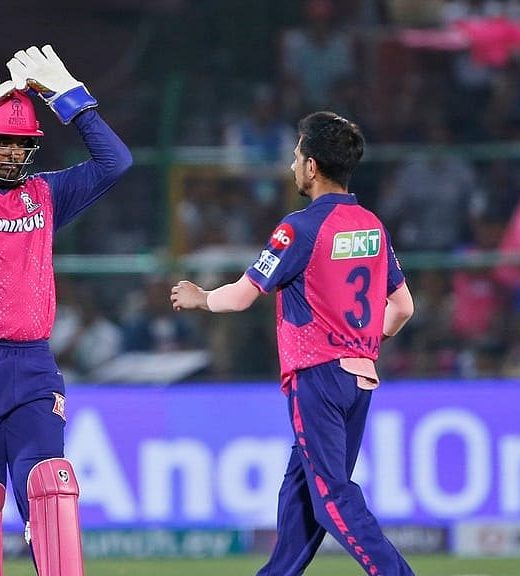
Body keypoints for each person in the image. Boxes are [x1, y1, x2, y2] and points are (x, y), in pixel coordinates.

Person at [0, 46, 132, 576]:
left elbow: (116, 162)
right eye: (1, 142)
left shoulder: (46, 194)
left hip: (34, 363)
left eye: (21, 144)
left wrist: (72, 101)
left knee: (52, 484)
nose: (12, 153)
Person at [170, 111, 415, 576]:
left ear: (313, 167)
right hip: (360, 376)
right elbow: (402, 307)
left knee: (331, 499)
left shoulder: (299, 228)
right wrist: (360, 341)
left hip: (318, 376)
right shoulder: (372, 226)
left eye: (296, 156)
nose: (292, 166)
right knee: (301, 494)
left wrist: (202, 298)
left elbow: (243, 296)